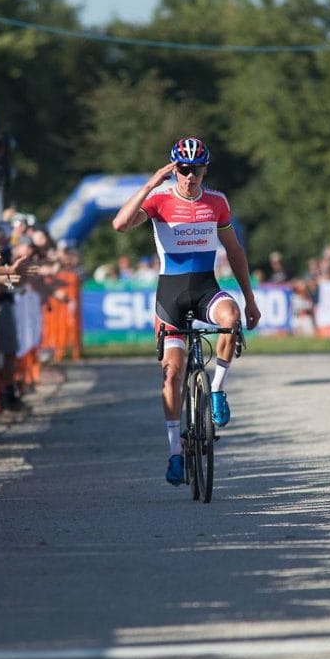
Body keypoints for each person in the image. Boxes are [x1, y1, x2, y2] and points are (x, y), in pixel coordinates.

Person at [112, 136, 261, 486]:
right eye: (183, 169)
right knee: (173, 373)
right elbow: (119, 225)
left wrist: (250, 299)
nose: (190, 176)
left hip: (206, 288)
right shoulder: (160, 199)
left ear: (205, 169)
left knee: (231, 319)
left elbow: (236, 253)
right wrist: (150, 183)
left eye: (196, 169)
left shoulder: (217, 202)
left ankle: (218, 389)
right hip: (171, 296)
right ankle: (175, 452)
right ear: (174, 169)